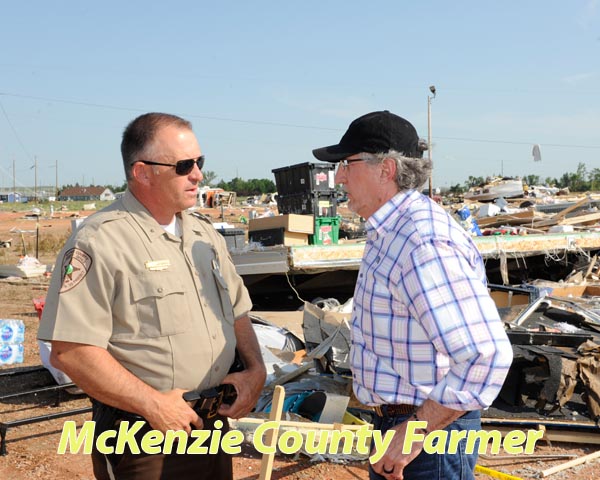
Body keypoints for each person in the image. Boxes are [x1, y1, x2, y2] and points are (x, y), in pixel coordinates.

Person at [38, 112, 266, 480]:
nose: (198, 175)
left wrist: (255, 370)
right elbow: (71, 351)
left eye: (199, 162)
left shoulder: (204, 237)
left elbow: (238, 312)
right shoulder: (100, 241)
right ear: (143, 173)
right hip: (145, 437)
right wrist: (154, 405)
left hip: (213, 427)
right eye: (184, 165)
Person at [312, 111, 513, 480]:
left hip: (428, 437)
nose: (338, 177)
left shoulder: (421, 241)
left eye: (346, 164)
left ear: (386, 169)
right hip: (405, 427)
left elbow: (486, 354)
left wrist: (414, 432)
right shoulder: (389, 231)